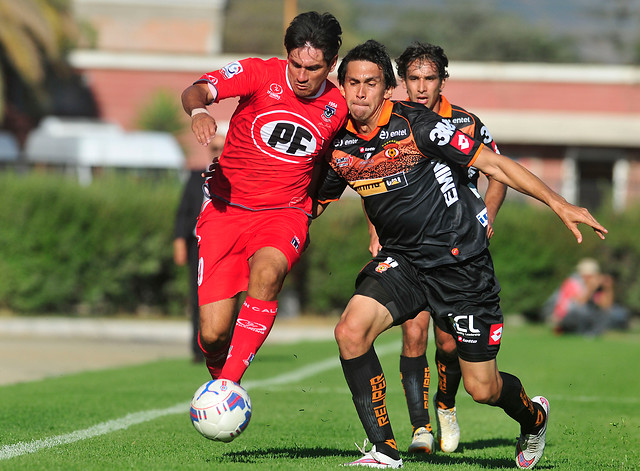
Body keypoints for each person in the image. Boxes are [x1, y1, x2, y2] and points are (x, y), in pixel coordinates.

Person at [313, 40, 607, 469]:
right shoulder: (338, 144)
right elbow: (311, 202)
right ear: (342, 88)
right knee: (350, 332)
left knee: (482, 389)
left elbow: (494, 165)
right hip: (405, 262)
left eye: (370, 83)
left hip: (461, 266)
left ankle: (534, 417)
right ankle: (384, 449)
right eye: (352, 83)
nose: (360, 92)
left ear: (386, 89)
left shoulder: (419, 125)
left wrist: (558, 203)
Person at [180, 11, 347, 384]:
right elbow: (197, 89)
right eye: (296, 64)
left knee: (268, 274)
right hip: (226, 210)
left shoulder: (339, 106)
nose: (301, 76)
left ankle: (228, 386)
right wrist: (200, 111)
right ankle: (218, 373)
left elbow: (333, 161)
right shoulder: (258, 73)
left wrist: (316, 202)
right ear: (286, 55)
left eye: (314, 68)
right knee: (212, 335)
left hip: (284, 214)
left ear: (331, 64)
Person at [363, 41, 507, 455]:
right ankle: (420, 428)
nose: (421, 87)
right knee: (413, 331)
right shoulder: (392, 122)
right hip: (408, 249)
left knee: (447, 344)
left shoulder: (464, 122)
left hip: (456, 248)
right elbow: (371, 183)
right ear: (401, 82)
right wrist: (375, 229)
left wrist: (487, 215)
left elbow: (497, 171)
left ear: (443, 79)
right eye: (413, 79)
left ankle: (445, 404)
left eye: (429, 78)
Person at [173, 132, 226, 363]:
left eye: (223, 148)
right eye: (214, 148)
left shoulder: (237, 176)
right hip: (199, 245)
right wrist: (179, 242)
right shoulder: (196, 177)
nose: (219, 153)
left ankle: (227, 350)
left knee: (228, 298)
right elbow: (183, 212)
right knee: (198, 298)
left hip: (228, 245)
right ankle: (198, 350)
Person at [550, 258, 629, 336]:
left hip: (584, 317)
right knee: (581, 311)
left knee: (608, 313)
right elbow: (580, 304)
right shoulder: (572, 283)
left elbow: (606, 306)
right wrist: (590, 288)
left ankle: (592, 333)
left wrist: (608, 288)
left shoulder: (597, 287)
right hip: (566, 316)